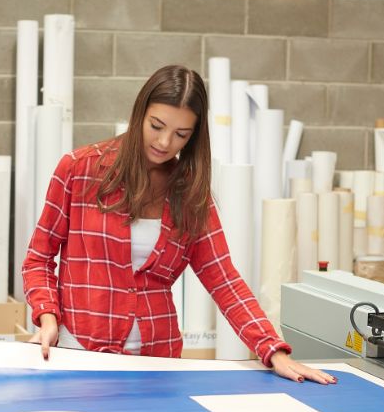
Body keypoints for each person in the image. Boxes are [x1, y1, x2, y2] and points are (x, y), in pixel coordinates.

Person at [23, 64, 335, 385]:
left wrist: (273, 350)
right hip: (80, 353)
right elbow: (38, 259)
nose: (164, 142)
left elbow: (224, 280)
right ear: (139, 113)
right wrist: (47, 318)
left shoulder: (189, 193)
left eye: (181, 135)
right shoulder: (79, 169)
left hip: (157, 363)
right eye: (156, 126)